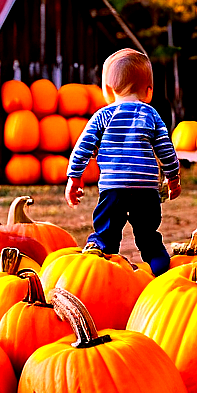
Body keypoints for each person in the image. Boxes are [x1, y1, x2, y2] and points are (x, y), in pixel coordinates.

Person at [65, 48, 181, 276]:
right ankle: (161, 270)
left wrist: (74, 177)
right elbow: (166, 149)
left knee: (105, 234)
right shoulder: (151, 115)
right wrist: (173, 177)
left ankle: (99, 261)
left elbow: (83, 147)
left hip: (114, 188)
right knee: (149, 237)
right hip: (146, 190)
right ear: (149, 92)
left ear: (107, 90)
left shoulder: (103, 116)